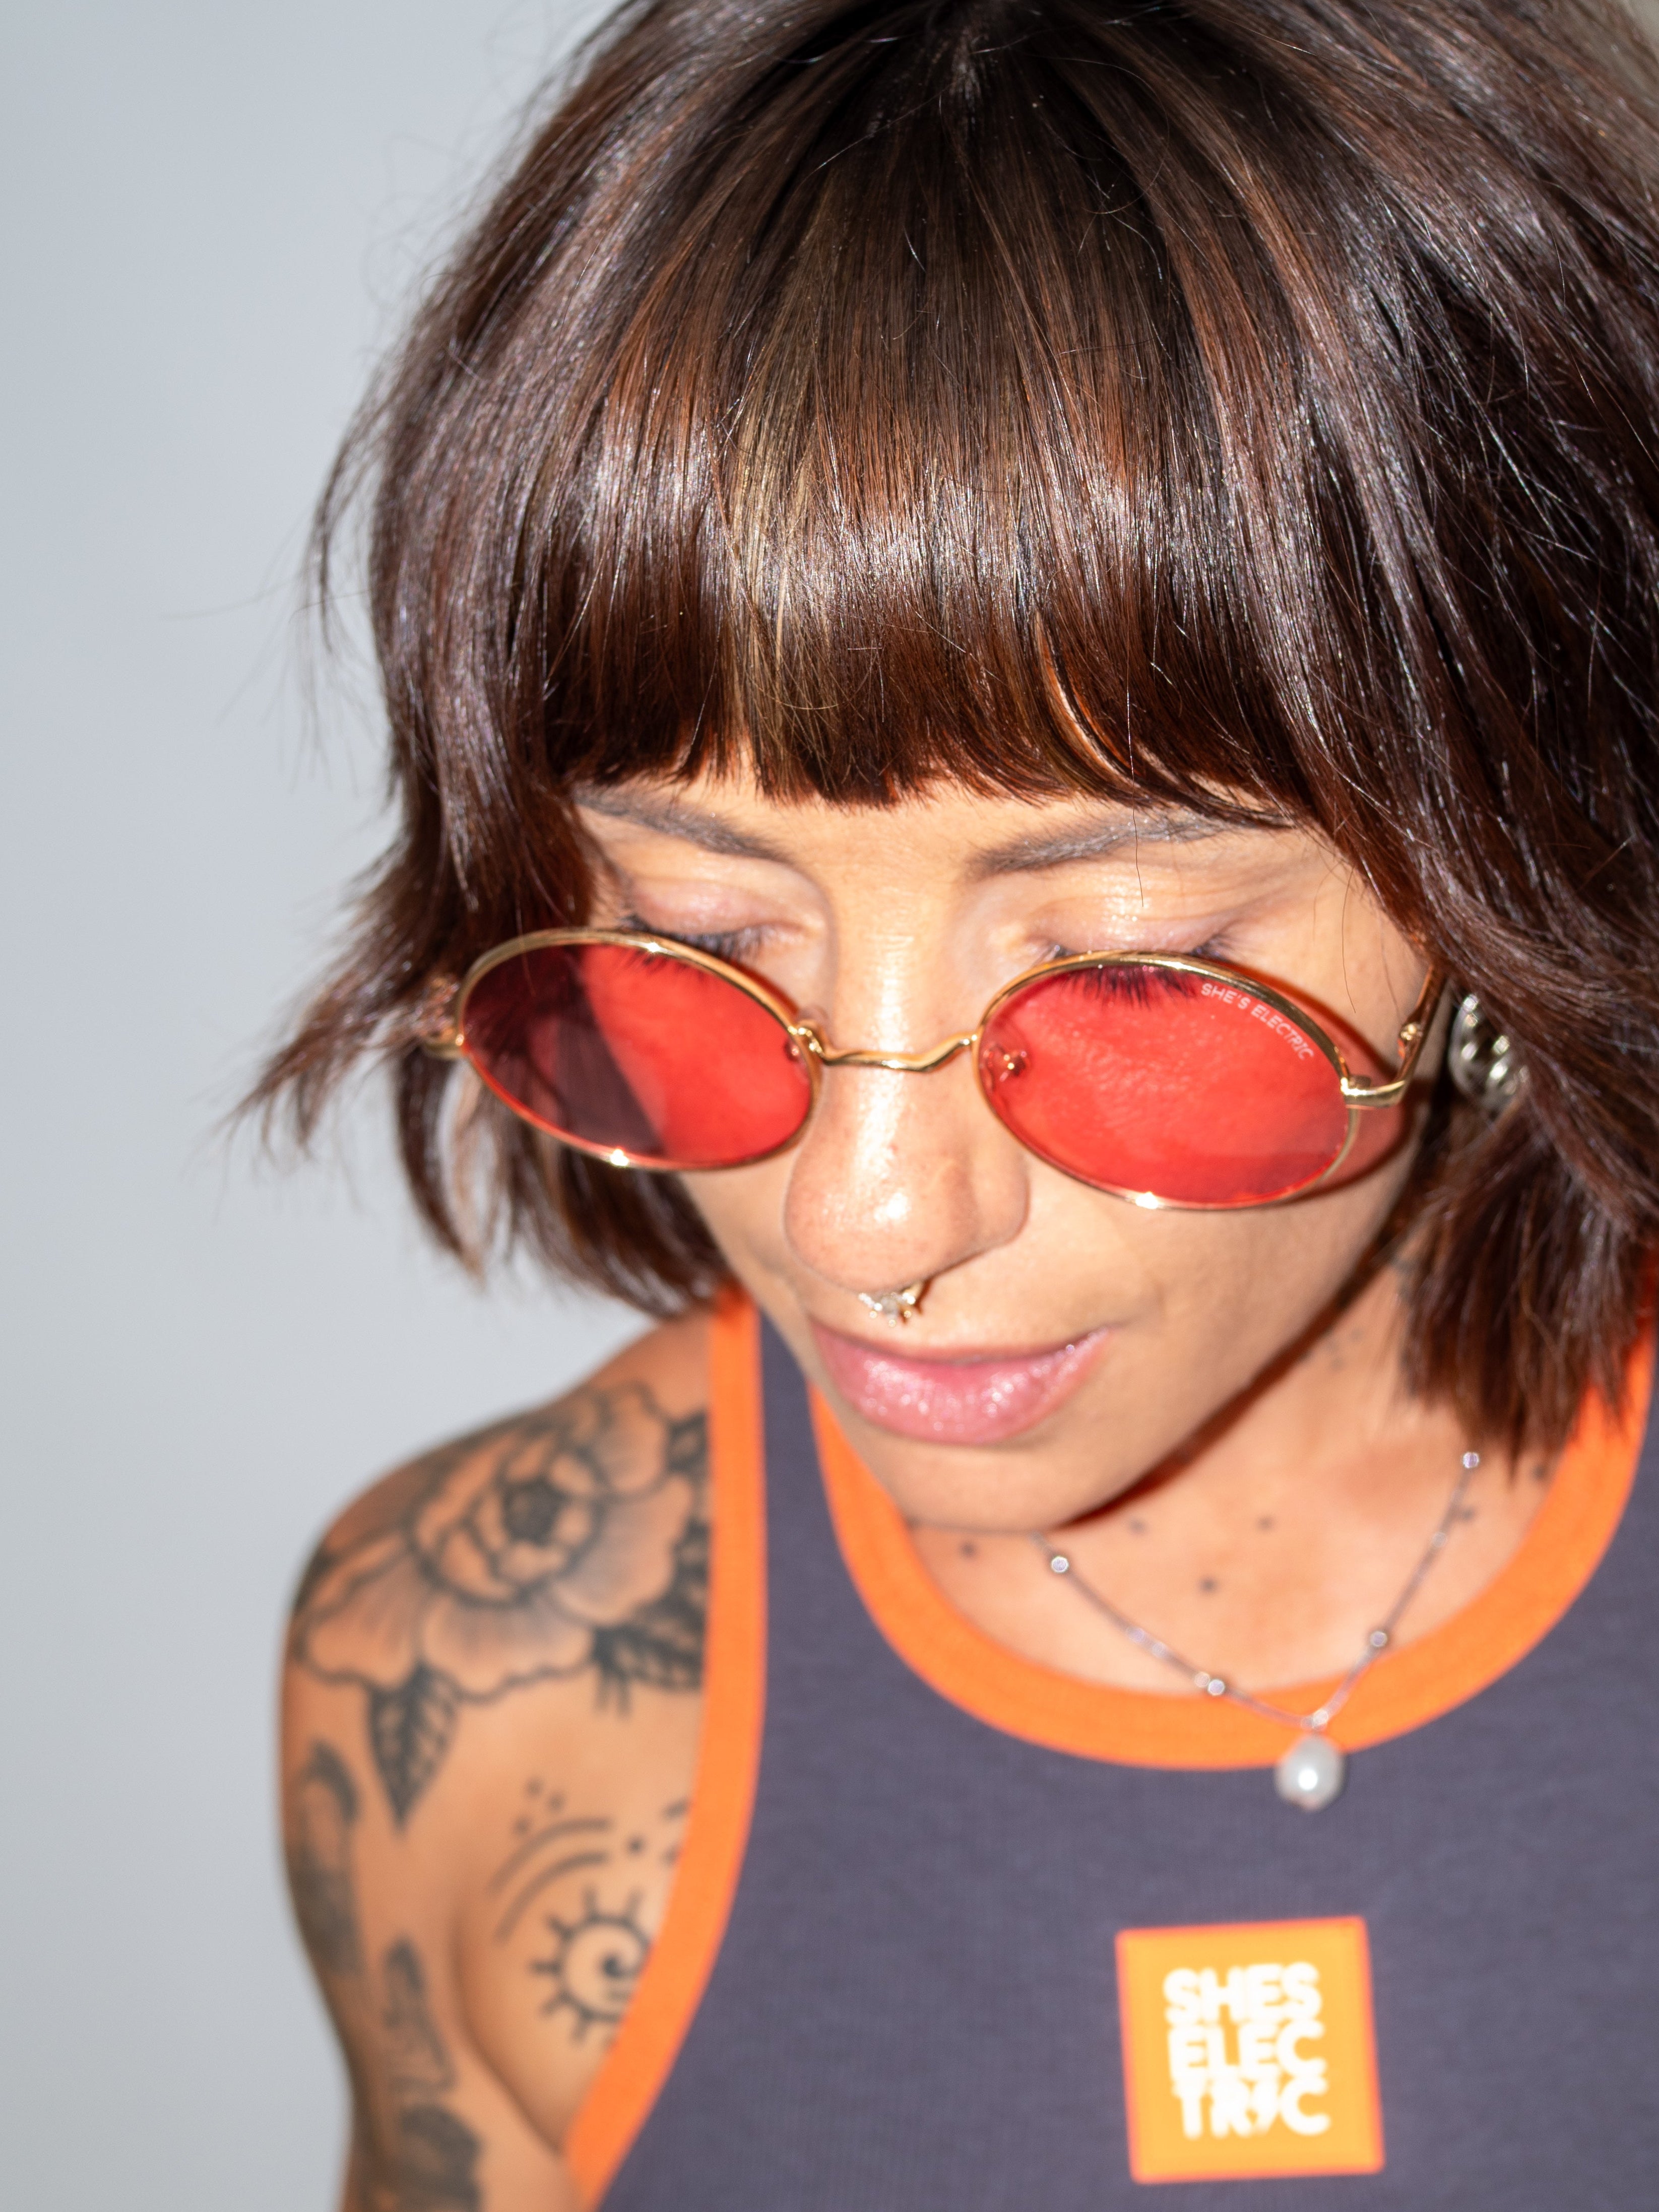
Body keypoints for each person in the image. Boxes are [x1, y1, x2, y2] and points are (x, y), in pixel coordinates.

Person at [261, 1, 1659, 2203]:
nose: (868, 1219)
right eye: (704, 942)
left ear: (1522, 858)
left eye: (1129, 973)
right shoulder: (477, 1688)